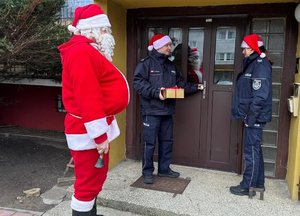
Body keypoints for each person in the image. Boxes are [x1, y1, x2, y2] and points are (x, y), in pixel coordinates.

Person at [58, 4, 129, 216]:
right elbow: (87, 96)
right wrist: (99, 136)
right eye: (104, 30)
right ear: (91, 30)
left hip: (92, 127)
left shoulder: (86, 50)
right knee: (88, 184)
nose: (108, 35)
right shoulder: (82, 52)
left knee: (94, 179)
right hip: (88, 130)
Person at [133, 34, 204, 184]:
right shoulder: (145, 64)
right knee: (149, 143)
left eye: (170, 45)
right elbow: (138, 83)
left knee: (167, 141)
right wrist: (156, 92)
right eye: (167, 45)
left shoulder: (171, 66)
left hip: (167, 111)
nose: (170, 48)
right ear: (158, 46)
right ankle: (147, 172)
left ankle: (164, 169)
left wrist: (196, 87)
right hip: (151, 111)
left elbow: (181, 85)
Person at [230, 33, 272, 196]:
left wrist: (250, 118)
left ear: (252, 48)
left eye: (245, 48)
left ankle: (248, 186)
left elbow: (260, 96)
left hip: (255, 117)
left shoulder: (260, 64)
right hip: (253, 116)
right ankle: (258, 183)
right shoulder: (254, 63)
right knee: (256, 149)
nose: (243, 52)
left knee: (251, 151)